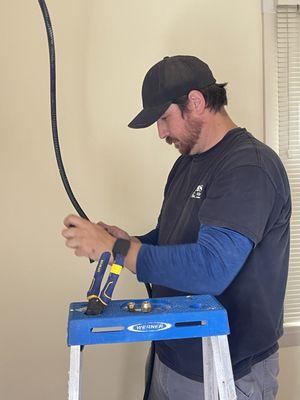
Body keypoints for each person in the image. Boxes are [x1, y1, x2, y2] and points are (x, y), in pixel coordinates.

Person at [62, 55, 291, 400]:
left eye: (164, 118)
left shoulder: (249, 167)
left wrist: (119, 251)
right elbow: (171, 239)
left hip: (228, 368)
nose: (161, 133)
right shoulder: (186, 165)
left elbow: (211, 268)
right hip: (170, 355)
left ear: (196, 102)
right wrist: (128, 240)